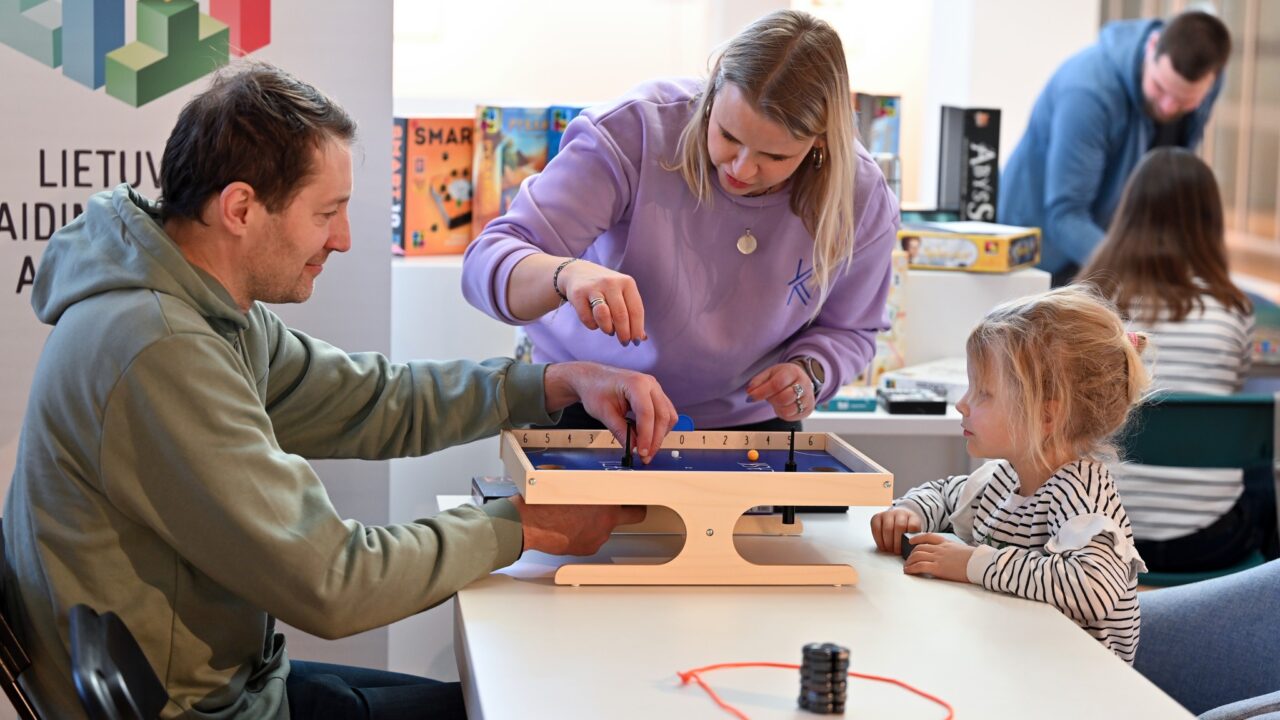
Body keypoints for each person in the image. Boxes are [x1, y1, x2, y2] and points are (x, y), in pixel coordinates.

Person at [3, 62, 676, 720]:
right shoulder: (161, 348)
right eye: (327, 212)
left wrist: (554, 385)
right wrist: (528, 524)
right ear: (240, 208)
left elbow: (372, 400)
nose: (345, 239)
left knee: (487, 698)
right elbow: (334, 581)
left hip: (229, 681)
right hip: (202, 707)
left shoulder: (202, 310)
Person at [461, 9, 898, 446]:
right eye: (727, 135)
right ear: (712, 92)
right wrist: (567, 275)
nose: (743, 169)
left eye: (775, 157)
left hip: (748, 430)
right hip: (590, 404)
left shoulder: (861, 195)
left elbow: (850, 329)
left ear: (818, 142)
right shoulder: (633, 131)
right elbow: (486, 264)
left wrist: (810, 372)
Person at [870, 286, 1150, 662]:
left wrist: (972, 563)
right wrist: (912, 510)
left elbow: (1093, 586)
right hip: (1017, 663)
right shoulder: (1002, 477)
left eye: (984, 393)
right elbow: (947, 494)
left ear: (1046, 416)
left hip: (1076, 689)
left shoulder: (1081, 493)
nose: (963, 404)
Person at [1077, 147, 1265, 572]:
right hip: (1209, 541)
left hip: (1103, 534)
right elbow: (1221, 403)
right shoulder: (1235, 309)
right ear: (1209, 224)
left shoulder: (1093, 307)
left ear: (1129, 215)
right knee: (1259, 474)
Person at [999, 10, 1230, 286]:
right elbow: (1066, 215)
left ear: (1212, 81)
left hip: (1107, 240)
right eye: (1159, 88)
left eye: (1184, 101)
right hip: (1043, 249)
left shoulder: (1205, 85)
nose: (1169, 106)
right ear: (1152, 47)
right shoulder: (1088, 93)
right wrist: (1137, 272)